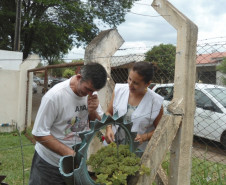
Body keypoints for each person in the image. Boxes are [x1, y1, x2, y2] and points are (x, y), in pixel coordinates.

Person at [29, 62, 107, 185]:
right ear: (79, 76)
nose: (90, 94)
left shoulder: (92, 94)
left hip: (74, 164)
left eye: (94, 91)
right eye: (88, 89)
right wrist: (70, 154)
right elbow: (39, 134)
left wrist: (93, 112)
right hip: (49, 164)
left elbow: (95, 124)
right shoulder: (54, 96)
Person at [105, 61, 164, 151]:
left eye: (136, 83)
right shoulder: (119, 90)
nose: (130, 85)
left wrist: (144, 137)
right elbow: (109, 112)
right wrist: (108, 128)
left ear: (147, 84)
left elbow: (160, 129)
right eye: (129, 79)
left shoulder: (156, 103)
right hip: (113, 146)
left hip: (136, 151)